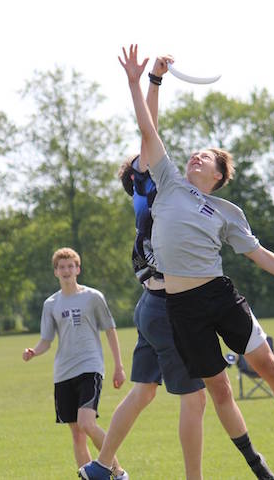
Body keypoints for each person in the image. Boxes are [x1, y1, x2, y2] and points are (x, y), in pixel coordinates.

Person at [117, 44, 274, 474]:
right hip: (181, 307)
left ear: (217, 176)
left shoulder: (227, 212)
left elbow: (258, 254)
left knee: (267, 364)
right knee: (219, 389)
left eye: (206, 156)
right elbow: (148, 131)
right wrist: (145, 81)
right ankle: (257, 466)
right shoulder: (168, 183)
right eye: (193, 153)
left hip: (219, 296)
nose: (195, 156)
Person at [79, 55, 208, 480]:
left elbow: (148, 133)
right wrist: (152, 81)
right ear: (137, 173)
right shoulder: (149, 182)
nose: (146, 155)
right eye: (140, 160)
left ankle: (100, 467)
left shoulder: (152, 192)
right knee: (196, 398)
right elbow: (146, 127)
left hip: (149, 303)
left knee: (143, 392)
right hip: (167, 305)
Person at [23, 247, 129, 480]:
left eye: (71, 266)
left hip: (90, 368)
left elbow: (110, 330)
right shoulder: (51, 304)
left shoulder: (93, 297)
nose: (66, 271)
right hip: (63, 373)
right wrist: (34, 351)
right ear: (56, 272)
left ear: (78, 269)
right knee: (77, 434)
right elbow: (46, 341)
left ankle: (118, 472)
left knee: (87, 423)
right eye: (62, 267)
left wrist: (118, 366)